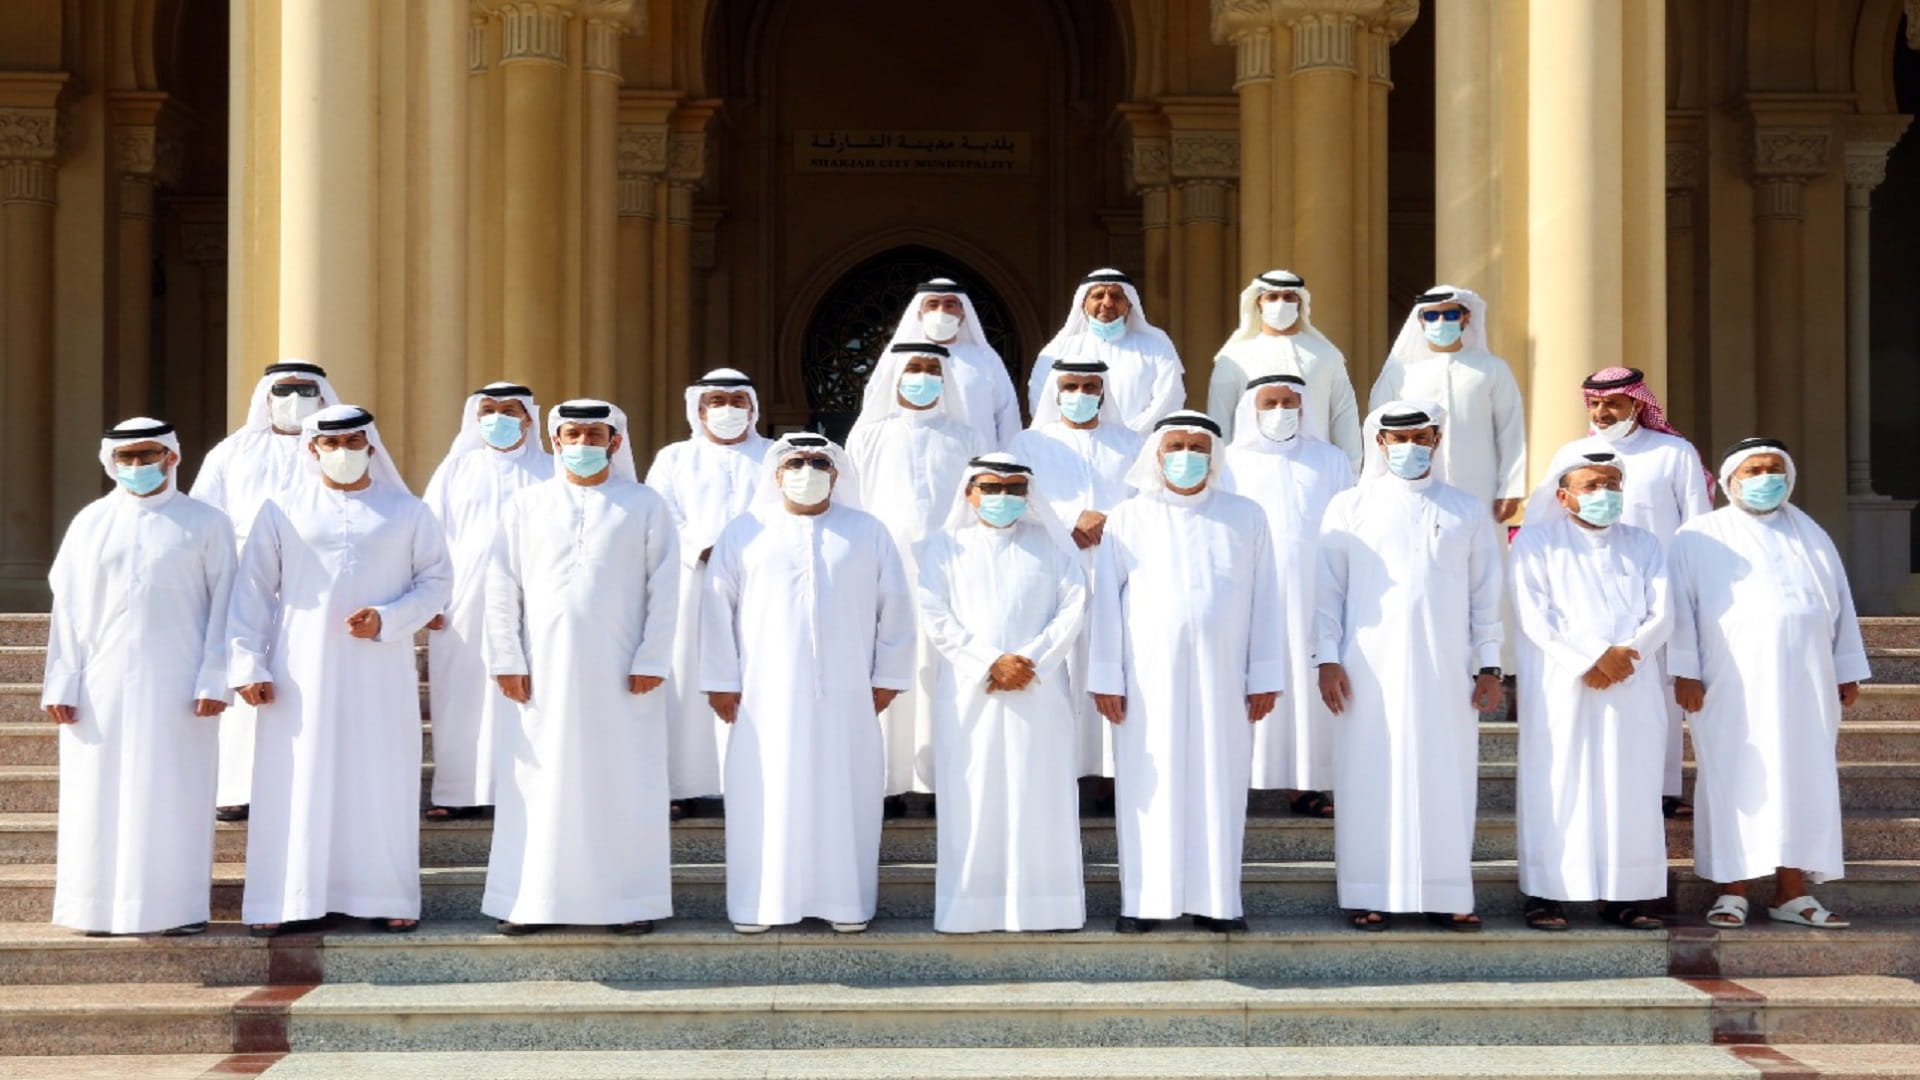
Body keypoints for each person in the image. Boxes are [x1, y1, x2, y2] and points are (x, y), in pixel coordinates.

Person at [228, 405, 452, 936]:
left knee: (379, 776)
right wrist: (246, 661)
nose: (344, 452)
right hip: (298, 673)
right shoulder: (280, 510)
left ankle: (386, 894)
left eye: (354, 442)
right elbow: (253, 591)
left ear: (371, 447)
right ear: (312, 450)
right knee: (296, 778)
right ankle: (284, 899)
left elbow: (437, 583)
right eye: (332, 444)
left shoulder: (408, 511)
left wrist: (388, 618)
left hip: (380, 670)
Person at [701, 433, 916, 934]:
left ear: (837, 473)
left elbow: (897, 608)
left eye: (820, 461)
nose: (807, 469)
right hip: (763, 695)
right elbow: (715, 607)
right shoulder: (745, 530)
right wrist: (719, 679)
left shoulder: (867, 531)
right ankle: (761, 905)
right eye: (795, 461)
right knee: (767, 793)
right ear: (776, 473)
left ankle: (846, 903)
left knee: (846, 793)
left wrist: (888, 677)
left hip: (848, 696)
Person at [483, 400, 678, 935]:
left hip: (623, 676)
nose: (584, 444)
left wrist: (654, 657)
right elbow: (501, 585)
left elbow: (665, 588)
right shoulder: (526, 505)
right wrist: (505, 657)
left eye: (596, 434)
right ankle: (531, 902)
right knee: (538, 784)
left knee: (621, 783)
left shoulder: (644, 504)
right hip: (539, 675)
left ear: (615, 442)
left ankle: (625, 903)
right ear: (556, 439)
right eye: (573, 433)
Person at [1088, 411, 1286, 933]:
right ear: (1156, 453)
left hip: (1224, 678)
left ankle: (1217, 901)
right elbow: (1105, 601)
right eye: (1175, 444)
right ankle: (1145, 903)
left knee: (1218, 782)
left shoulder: (1246, 515)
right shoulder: (1128, 517)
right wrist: (1106, 676)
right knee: (1149, 786)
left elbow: (1267, 595)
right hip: (1146, 680)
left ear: (1215, 456)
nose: (1186, 454)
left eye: (1198, 446)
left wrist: (1264, 673)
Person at [1315, 401, 1504, 932]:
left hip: (1447, 671)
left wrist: (1490, 664)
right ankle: (1369, 892)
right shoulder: (1348, 506)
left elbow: (1485, 593)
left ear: (1438, 439)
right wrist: (1325, 658)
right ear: (1379, 444)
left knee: (1446, 777)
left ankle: (1446, 893)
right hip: (1366, 668)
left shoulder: (1465, 508)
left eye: (1421, 437)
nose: (1410, 447)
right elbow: (1327, 591)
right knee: (1369, 775)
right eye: (1398, 439)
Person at [45, 419, 236, 937]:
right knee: (96, 794)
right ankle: (94, 908)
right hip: (98, 684)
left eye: (146, 455)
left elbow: (226, 607)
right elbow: (68, 608)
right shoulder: (90, 522)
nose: (136, 467)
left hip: (179, 683)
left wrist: (214, 678)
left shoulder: (206, 523)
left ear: (172, 457)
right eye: (126, 458)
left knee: (174, 792)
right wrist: (62, 681)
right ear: (111, 462)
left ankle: (175, 910)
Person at [1670, 438, 1869, 931]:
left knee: (1803, 779)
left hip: (1808, 680)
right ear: (1732, 480)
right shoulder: (1698, 535)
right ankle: (1731, 891)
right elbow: (1680, 609)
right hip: (1729, 682)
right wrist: (1685, 670)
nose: (1766, 478)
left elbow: (1838, 603)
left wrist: (1846, 667)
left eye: (1774, 469)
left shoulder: (1811, 534)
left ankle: (1792, 891)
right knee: (1734, 778)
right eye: (1754, 470)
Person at [917, 453, 1089, 933]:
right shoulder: (943, 548)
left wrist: (1031, 661)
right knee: (973, 796)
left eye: (1014, 489)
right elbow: (935, 613)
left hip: (1040, 689)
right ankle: (969, 910)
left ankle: (1047, 908)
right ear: (969, 493)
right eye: (991, 488)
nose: (1002, 498)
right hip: (971, 693)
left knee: (1041, 795)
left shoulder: (1052, 548)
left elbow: (1073, 608)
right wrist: (987, 662)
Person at [1510, 440, 1672, 932]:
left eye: (1612, 485)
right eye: (1593, 485)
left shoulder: (1645, 544)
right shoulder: (1536, 544)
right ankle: (1546, 894)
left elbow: (1661, 612)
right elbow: (1536, 616)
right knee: (1558, 784)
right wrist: (1592, 659)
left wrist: (1628, 655)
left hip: (1632, 684)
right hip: (1562, 684)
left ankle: (1625, 896)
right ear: (1563, 496)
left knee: (1630, 787)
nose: (1605, 493)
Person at [190, 359, 341, 822]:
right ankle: (237, 788)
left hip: (313, 586)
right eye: (284, 391)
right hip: (241, 583)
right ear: (266, 397)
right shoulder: (230, 453)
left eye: (305, 392)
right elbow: (203, 520)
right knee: (243, 677)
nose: (294, 402)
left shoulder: (336, 450)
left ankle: (304, 784)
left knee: (305, 683)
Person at [847, 342, 991, 806]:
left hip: (950, 572)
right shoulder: (867, 437)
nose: (923, 376)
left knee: (942, 671)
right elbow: (853, 506)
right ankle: (885, 785)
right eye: (914, 368)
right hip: (882, 573)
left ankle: (938, 783)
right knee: (888, 665)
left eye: (933, 369)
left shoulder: (967, 438)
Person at [1580, 366, 1714, 819]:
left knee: (1658, 690)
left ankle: (1661, 786)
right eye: (1595, 403)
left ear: (1637, 404)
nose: (1602, 412)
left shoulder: (1673, 452)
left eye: (1612, 403)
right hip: (1594, 590)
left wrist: (1695, 588)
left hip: (1661, 590)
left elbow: (1697, 523)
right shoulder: (1578, 454)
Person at [1219, 374, 1354, 817]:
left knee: (1305, 685)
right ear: (1252, 411)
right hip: (1250, 593)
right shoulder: (1231, 461)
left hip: (1316, 592)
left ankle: (1306, 785)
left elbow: (1347, 523)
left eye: (1290, 402)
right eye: (1271, 402)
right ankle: (1236, 782)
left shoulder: (1331, 460)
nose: (1280, 411)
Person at [645, 369, 774, 817]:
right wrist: (700, 546)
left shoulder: (775, 455)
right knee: (690, 675)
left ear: (754, 408)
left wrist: (748, 553)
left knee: (759, 671)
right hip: (692, 580)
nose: (728, 410)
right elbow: (662, 514)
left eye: (738, 400)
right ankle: (684, 783)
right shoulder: (674, 458)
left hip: (762, 581)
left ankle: (756, 778)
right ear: (698, 409)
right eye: (717, 401)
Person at [420, 382, 552, 822]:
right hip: (464, 598)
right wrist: (430, 600)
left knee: (531, 690)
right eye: (489, 410)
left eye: (509, 410)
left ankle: (527, 789)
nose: (498, 418)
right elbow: (429, 537)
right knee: (463, 692)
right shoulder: (456, 470)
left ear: (529, 418)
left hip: (537, 594)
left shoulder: (551, 469)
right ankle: (459, 791)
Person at [1008, 358, 1143, 784]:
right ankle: (1060, 773)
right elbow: (1014, 500)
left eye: (1090, 386)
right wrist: (1069, 518)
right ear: (1055, 390)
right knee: (1059, 668)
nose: (1081, 395)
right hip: (1055, 568)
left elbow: (1150, 500)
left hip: (1117, 566)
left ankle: (1107, 777)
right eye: (1072, 386)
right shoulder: (1029, 443)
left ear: (1103, 392)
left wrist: (1111, 521)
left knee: (1113, 662)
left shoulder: (1132, 442)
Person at [1368, 288, 1525, 523]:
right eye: (1432, 316)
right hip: (1417, 484)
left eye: (1450, 315)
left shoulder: (1492, 369)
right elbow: (1378, 433)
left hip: (1480, 485)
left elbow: (1510, 429)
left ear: (1466, 317)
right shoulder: (1400, 374)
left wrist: (1510, 489)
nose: (1441, 322)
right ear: (1421, 320)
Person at [1206, 270, 1363, 469]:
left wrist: (1352, 469)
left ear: (1300, 303)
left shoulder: (1326, 355)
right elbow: (1221, 419)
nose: (1281, 303)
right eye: (1272, 297)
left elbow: (1344, 415)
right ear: (1258, 303)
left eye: (1288, 297)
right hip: (1251, 471)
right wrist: (1222, 473)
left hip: (1317, 469)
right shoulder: (1233, 357)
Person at [1027, 269, 1184, 433]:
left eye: (1116, 297)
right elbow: (1042, 401)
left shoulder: (1157, 347)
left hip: (1140, 448)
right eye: (1098, 296)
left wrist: (1127, 438)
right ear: (1083, 304)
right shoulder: (1059, 350)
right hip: (1071, 449)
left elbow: (1168, 399)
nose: (1107, 303)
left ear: (1129, 305)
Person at [877, 278, 1022, 447]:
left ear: (963, 314)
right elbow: (877, 408)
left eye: (949, 304)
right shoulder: (899, 358)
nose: (941, 311)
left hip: (977, 460)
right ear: (919, 314)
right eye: (933, 304)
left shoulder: (985, 359)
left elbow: (1006, 413)